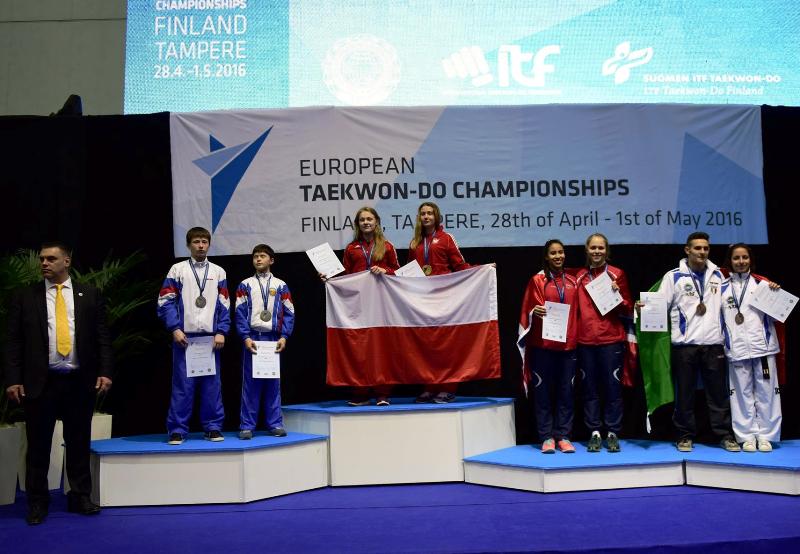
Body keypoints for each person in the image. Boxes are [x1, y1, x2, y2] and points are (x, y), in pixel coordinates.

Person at [4, 242, 113, 525]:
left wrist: (105, 371)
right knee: (38, 446)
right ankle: (37, 502)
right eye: (42, 259)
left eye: (51, 258)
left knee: (78, 442)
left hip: (79, 381)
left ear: (67, 261)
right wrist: (13, 379)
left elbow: (102, 336)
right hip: (40, 383)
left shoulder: (90, 294)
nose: (44, 263)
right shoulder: (25, 296)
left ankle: (80, 497)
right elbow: (13, 342)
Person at [657, 231, 739, 452]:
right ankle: (684, 436)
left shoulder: (719, 275)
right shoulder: (673, 277)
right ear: (687, 250)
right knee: (685, 395)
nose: (702, 252)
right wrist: (644, 309)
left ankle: (725, 435)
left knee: (718, 395)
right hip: (685, 345)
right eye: (697, 248)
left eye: (705, 248)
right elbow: (659, 307)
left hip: (713, 344)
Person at [157, 227, 230, 445]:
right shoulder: (177, 269)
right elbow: (165, 301)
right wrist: (174, 328)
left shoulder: (218, 272)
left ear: (209, 245)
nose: (200, 246)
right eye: (196, 241)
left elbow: (224, 304)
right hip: (185, 338)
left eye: (204, 242)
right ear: (188, 245)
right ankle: (177, 430)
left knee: (212, 387)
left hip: (210, 339)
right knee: (183, 386)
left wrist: (222, 331)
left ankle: (213, 427)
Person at [407, 201, 471, 403]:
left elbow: (459, 265)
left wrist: (481, 270)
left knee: (445, 344)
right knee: (426, 346)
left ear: (436, 217)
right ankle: (430, 386)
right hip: (423, 300)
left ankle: (448, 387)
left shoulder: (446, 238)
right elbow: (410, 272)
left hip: (444, 298)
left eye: (430, 213)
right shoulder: (415, 243)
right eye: (423, 214)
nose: (426, 216)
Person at [519, 239, 579, 453]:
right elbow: (528, 307)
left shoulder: (573, 280)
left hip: (568, 346)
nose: (558, 256)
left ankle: (563, 435)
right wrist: (533, 311)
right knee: (543, 393)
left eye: (561, 252)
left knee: (566, 393)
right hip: (543, 345)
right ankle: (546, 437)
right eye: (553, 253)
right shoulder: (538, 280)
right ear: (546, 256)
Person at [720, 243, 782, 452]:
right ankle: (746, 436)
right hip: (736, 349)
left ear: (750, 260)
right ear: (730, 261)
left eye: (744, 257)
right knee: (740, 395)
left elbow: (778, 317)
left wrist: (775, 294)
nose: (741, 262)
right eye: (736, 258)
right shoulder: (721, 288)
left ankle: (766, 436)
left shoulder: (763, 285)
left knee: (767, 394)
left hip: (763, 348)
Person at [575, 233, 633, 453]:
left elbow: (628, 309)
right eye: (593, 248)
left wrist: (618, 296)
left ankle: (612, 432)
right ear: (587, 250)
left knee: (612, 388)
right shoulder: (579, 276)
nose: (597, 251)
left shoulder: (617, 274)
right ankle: (594, 432)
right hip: (585, 341)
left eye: (601, 248)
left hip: (611, 340)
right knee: (589, 389)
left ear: (606, 251)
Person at [235, 244, 295, 439]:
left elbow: (289, 312)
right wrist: (245, 337)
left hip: (273, 339)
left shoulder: (281, 285)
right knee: (250, 384)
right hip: (253, 338)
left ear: (272, 260)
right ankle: (247, 426)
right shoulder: (245, 285)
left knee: (272, 383)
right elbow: (239, 313)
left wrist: (284, 336)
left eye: (262, 256)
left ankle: (275, 423)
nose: (258, 259)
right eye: (255, 256)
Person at [341, 206, 400, 406]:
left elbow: (398, 272)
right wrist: (328, 278)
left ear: (376, 222)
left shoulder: (387, 246)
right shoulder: (351, 248)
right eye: (362, 220)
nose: (366, 222)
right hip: (359, 304)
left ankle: (383, 393)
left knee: (382, 349)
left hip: (383, 303)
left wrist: (385, 271)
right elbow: (346, 275)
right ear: (357, 224)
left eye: (369, 219)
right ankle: (361, 393)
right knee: (360, 348)